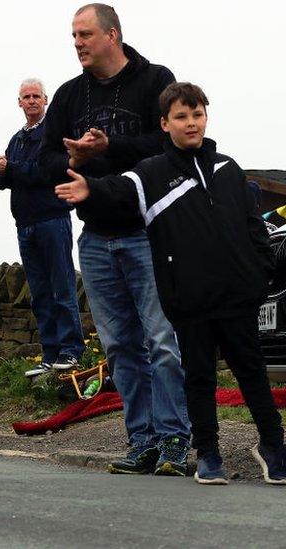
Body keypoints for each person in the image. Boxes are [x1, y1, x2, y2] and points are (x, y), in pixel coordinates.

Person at [56, 82, 286, 485]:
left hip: (237, 296)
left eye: (197, 115)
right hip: (190, 301)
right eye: (181, 116)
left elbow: (254, 228)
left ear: (206, 118)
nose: (191, 123)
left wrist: (259, 275)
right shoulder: (152, 174)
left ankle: (273, 446)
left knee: (251, 373)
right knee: (198, 378)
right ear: (165, 124)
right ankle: (209, 454)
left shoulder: (228, 169)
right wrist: (90, 189)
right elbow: (119, 190)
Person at [37, 3, 190, 475]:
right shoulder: (67, 96)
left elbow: (173, 147)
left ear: (112, 35)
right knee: (120, 345)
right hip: (96, 236)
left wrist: (111, 148)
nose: (78, 43)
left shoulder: (154, 80)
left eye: (85, 34)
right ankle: (141, 440)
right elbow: (43, 160)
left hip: (148, 232)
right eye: (73, 36)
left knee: (163, 339)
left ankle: (175, 441)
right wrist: (74, 162)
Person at [0, 78, 84, 376]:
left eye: (36, 96)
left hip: (52, 219)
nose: (31, 101)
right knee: (40, 292)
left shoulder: (53, 134)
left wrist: (12, 169)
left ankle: (71, 351)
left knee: (62, 286)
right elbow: (4, 183)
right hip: (25, 223)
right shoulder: (16, 140)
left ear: (46, 100)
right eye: (26, 97)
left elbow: (47, 171)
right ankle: (50, 352)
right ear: (19, 102)